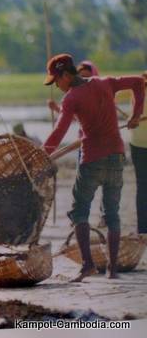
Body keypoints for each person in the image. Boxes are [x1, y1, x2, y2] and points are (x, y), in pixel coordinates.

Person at [42, 53, 145, 282]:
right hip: (117, 157)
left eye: (56, 81)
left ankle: (88, 264)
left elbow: (59, 132)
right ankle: (113, 270)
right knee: (112, 214)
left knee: (79, 212)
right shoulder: (104, 82)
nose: (57, 86)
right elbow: (139, 82)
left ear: (66, 75)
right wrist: (137, 114)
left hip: (92, 160)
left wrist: (41, 155)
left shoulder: (71, 98)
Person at [131, 71, 147, 234]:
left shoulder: (137, 92)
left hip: (137, 144)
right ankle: (143, 228)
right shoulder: (138, 93)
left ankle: (143, 228)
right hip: (139, 144)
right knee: (143, 187)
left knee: (142, 187)